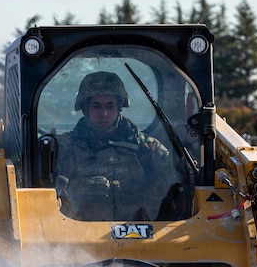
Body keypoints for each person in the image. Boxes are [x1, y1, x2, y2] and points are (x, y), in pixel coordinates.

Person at [55, 71, 178, 221]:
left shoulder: (147, 148)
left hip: (144, 235)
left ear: (119, 107)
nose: (104, 113)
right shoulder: (65, 149)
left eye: (110, 106)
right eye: (96, 106)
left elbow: (174, 190)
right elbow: (50, 197)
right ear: (85, 108)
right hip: (79, 236)